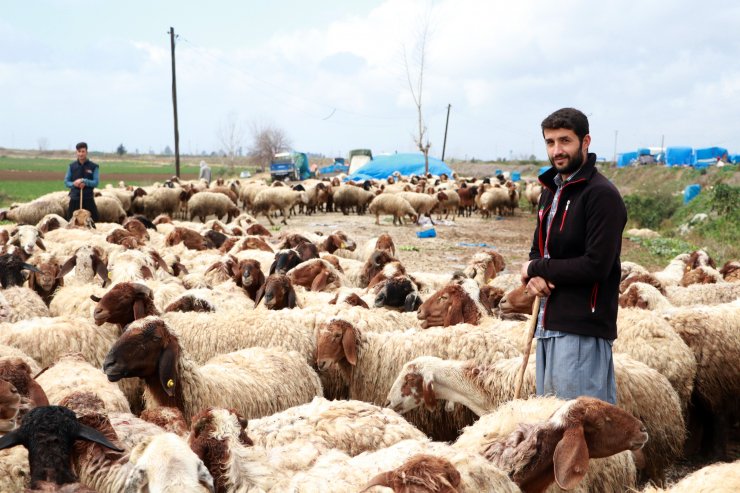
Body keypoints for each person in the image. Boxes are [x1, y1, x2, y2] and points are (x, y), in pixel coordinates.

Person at [520, 108, 627, 405]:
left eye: (565, 141)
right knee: (553, 424)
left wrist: (535, 267)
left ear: (585, 141)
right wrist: (535, 275)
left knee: (580, 428)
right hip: (548, 323)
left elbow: (596, 265)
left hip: (582, 329)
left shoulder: (601, 195)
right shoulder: (550, 190)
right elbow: (537, 249)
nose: (557, 150)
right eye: (550, 142)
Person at [64, 141, 100, 222]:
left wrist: (84, 181)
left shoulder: (94, 166)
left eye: (83, 151)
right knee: (71, 223)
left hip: (88, 199)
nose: (81, 154)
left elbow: (96, 182)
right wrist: (74, 184)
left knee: (95, 222)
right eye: (79, 151)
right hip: (75, 199)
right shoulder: (72, 166)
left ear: (86, 152)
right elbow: (66, 182)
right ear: (76, 152)